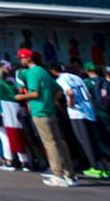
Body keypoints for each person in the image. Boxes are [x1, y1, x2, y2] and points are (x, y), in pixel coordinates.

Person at [15, 49, 77, 187]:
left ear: (27, 59)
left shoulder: (32, 73)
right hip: (50, 111)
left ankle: (57, 175)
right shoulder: (42, 71)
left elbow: (35, 93)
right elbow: (58, 89)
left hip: (40, 111)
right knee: (59, 142)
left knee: (50, 144)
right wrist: (52, 101)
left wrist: (20, 97)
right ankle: (70, 174)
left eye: (21, 58)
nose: (21, 61)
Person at [52, 61, 110, 177]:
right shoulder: (77, 77)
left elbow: (69, 92)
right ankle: (105, 168)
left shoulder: (61, 80)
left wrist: (70, 103)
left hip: (77, 113)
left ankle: (94, 167)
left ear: (53, 71)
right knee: (94, 141)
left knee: (85, 141)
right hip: (88, 110)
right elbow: (89, 95)